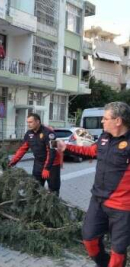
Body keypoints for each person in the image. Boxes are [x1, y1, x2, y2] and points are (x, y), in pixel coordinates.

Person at [58, 102, 130, 267]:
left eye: (105, 118)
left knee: (118, 252)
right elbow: (90, 151)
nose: (102, 122)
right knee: (89, 239)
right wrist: (65, 147)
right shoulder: (104, 138)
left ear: (118, 121)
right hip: (98, 201)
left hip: (122, 207)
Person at [9, 113, 62, 195]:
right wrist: (12, 162)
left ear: (38, 121)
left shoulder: (50, 134)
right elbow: (22, 149)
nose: (28, 124)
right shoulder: (28, 134)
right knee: (35, 187)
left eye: (31, 122)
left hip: (53, 165)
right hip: (38, 163)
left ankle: (53, 205)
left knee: (53, 189)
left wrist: (47, 168)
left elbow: (52, 151)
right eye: (28, 122)